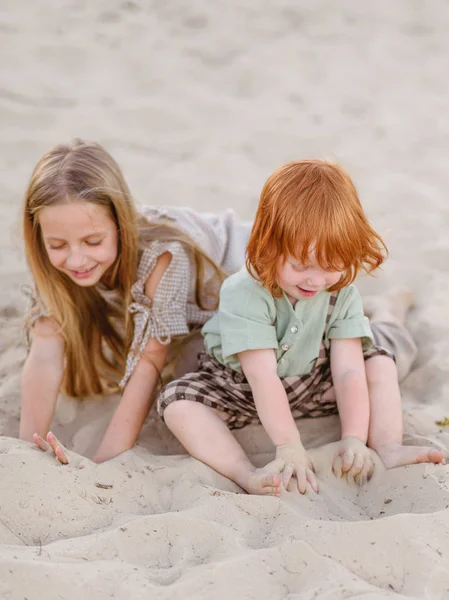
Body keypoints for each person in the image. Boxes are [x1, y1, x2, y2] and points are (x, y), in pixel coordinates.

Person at [157, 160, 446, 497]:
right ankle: (245, 473)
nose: (316, 280)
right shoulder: (245, 291)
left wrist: (354, 438)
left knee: (382, 359)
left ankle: (388, 444)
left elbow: (350, 372)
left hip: (315, 376)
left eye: (331, 267)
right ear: (268, 246)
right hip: (242, 386)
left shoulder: (339, 291)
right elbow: (262, 378)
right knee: (177, 404)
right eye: (300, 265)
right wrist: (289, 446)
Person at [19, 139, 250, 463]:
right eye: (57, 244)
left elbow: (149, 362)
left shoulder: (162, 255)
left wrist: (101, 465)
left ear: (120, 224)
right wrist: (29, 451)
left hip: (259, 268)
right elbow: (45, 356)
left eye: (92, 241)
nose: (75, 259)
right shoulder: (47, 256)